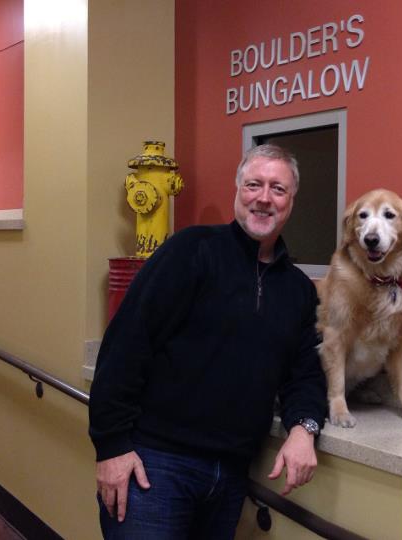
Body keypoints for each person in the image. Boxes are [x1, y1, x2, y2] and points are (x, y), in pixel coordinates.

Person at [88, 144, 328, 539]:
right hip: (154, 467)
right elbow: (126, 345)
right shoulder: (190, 250)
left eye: (278, 189)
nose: (264, 198)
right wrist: (111, 446)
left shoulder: (298, 290)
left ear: (291, 201)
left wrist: (304, 428)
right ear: (238, 190)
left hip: (230, 477)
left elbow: (305, 375)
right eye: (254, 185)